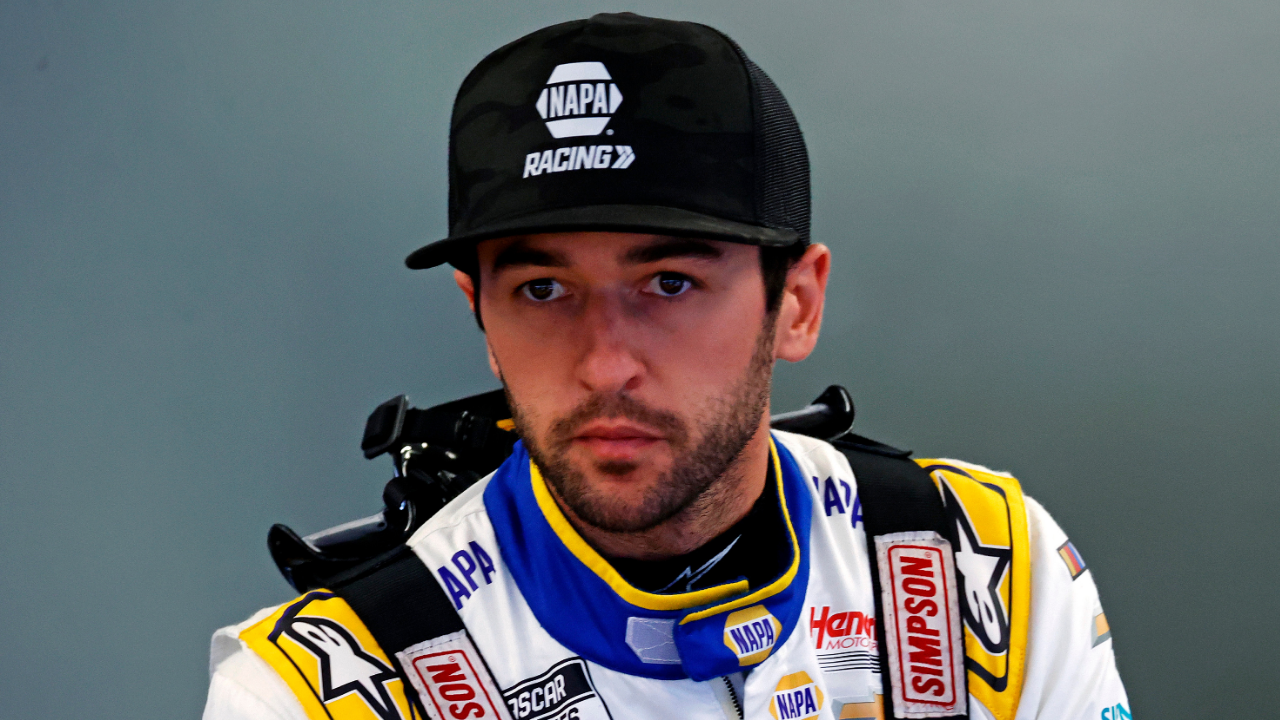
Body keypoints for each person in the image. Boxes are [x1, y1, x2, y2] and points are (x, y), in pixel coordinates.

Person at [203, 13, 1129, 720]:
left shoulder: (982, 562)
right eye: (541, 290)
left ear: (797, 303)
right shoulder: (311, 694)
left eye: (671, 283)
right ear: (479, 313)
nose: (606, 363)